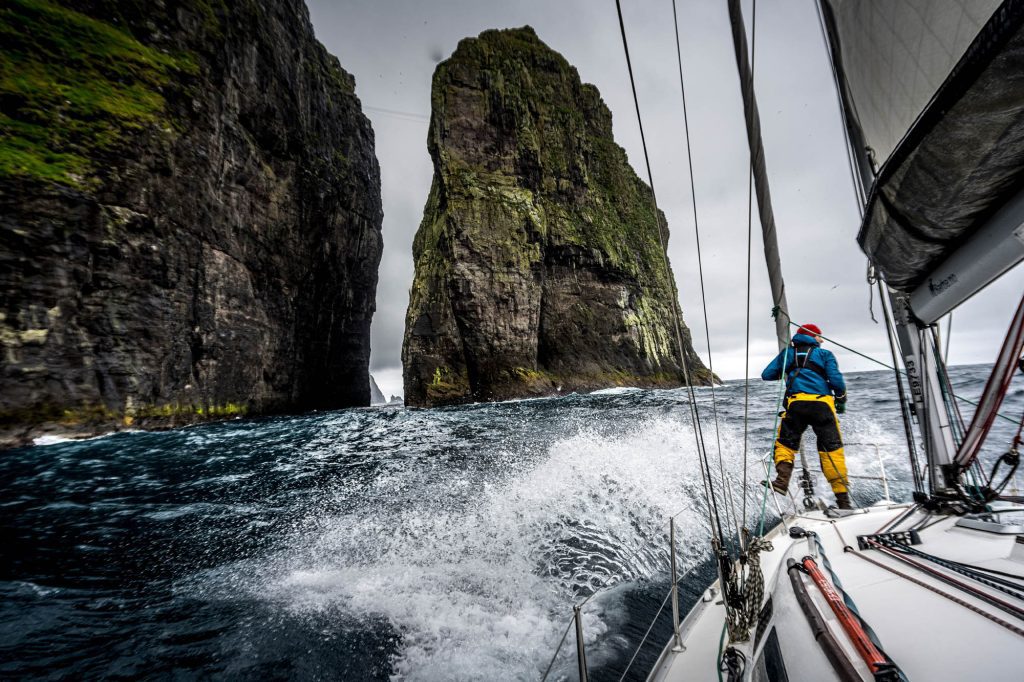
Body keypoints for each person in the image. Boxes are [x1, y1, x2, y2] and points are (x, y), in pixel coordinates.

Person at [761, 323, 851, 509]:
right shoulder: (825, 355)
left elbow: (767, 375)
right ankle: (843, 500)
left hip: (797, 405)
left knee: (785, 443)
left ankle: (781, 482)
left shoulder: (788, 354)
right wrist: (841, 398)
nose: (822, 340)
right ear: (812, 336)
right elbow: (836, 381)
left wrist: (787, 370)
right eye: (819, 336)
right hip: (822, 406)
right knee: (832, 450)